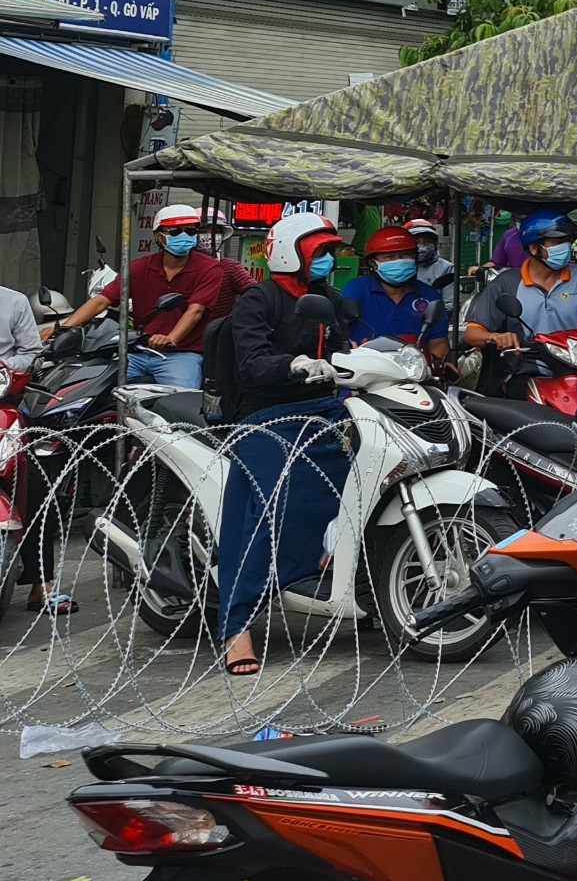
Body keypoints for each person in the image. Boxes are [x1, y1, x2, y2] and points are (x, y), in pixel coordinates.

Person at [215, 211, 353, 675]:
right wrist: (292, 365)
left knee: (365, 483)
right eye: (322, 252)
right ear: (292, 252)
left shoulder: (329, 300)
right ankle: (238, 627)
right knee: (269, 507)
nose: (329, 261)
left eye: (332, 253)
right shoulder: (259, 299)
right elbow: (251, 362)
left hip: (326, 412)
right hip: (265, 416)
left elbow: (350, 350)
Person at [55, 205, 240, 388]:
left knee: (179, 404)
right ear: (158, 236)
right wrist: (63, 329)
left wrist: (170, 338)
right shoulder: (138, 267)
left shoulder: (210, 269)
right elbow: (102, 300)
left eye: (191, 231)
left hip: (182, 354)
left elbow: (196, 310)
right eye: (175, 231)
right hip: (138, 350)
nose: (184, 236)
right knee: (93, 390)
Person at [463, 210, 577, 361]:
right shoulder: (506, 283)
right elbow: (471, 335)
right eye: (557, 242)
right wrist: (495, 337)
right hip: (527, 367)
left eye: (567, 241)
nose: (566, 248)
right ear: (533, 248)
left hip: (576, 367)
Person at [342, 226, 450, 355]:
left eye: (405, 255)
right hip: (366, 367)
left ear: (415, 258)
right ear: (373, 264)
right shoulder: (356, 289)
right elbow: (338, 329)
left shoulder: (429, 296)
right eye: (390, 257)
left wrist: (436, 366)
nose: (399, 261)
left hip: (414, 369)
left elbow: (438, 344)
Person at [406, 219, 455, 295]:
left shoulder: (446, 268)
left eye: (428, 242)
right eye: (416, 242)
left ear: (435, 244)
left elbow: (450, 303)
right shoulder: (401, 266)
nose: (422, 247)